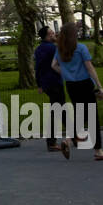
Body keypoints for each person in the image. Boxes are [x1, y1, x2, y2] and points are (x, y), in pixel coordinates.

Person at [51, 22, 103, 161]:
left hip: (71, 86)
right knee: (92, 117)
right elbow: (90, 68)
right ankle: (98, 150)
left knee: (82, 114)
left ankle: (68, 139)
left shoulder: (60, 49)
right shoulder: (80, 48)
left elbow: (53, 65)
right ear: (74, 34)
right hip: (85, 84)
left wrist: (66, 73)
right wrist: (100, 86)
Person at [34, 25, 65, 153]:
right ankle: (51, 142)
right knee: (57, 110)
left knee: (61, 109)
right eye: (52, 33)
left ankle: (74, 136)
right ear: (48, 36)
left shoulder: (39, 49)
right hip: (55, 82)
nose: (54, 35)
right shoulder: (53, 48)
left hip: (46, 83)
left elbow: (38, 67)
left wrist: (39, 84)